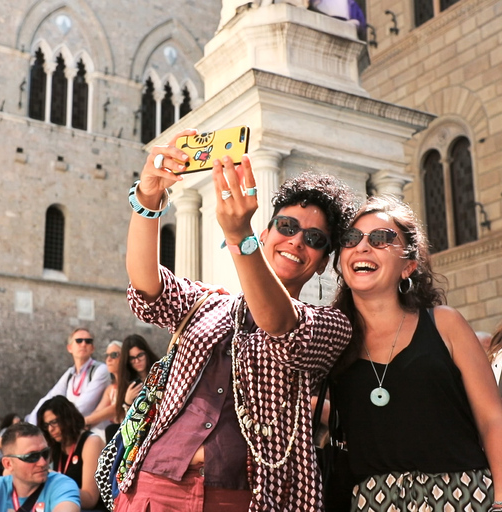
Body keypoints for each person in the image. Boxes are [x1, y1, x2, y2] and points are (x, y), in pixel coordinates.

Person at [113, 129, 356, 511]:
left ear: (324, 261)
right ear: (267, 232)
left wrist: (239, 237)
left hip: (244, 496)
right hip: (154, 487)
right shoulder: (207, 303)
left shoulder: (329, 325)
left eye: (314, 238)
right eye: (287, 227)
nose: (296, 241)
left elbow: (279, 325)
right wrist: (148, 196)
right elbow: (147, 287)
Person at [331, 195, 502, 510]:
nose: (363, 246)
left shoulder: (445, 323)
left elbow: (492, 419)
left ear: (408, 265)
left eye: (381, 238)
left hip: (464, 496)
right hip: (374, 502)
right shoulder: (332, 337)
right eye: (351, 238)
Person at [26, 327, 110, 425]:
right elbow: (49, 397)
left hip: (95, 432)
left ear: (93, 348)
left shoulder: (101, 369)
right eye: (79, 341)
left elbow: (85, 404)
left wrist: (57, 422)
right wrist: (32, 422)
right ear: (69, 348)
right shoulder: (70, 374)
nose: (83, 344)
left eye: (88, 341)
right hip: (71, 430)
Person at [38, 396, 107, 511]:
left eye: (54, 422)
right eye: (46, 425)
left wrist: (54, 480)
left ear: (68, 418)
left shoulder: (91, 442)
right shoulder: (56, 445)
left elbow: (90, 499)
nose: (50, 429)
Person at [114, 334, 159, 424]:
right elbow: (121, 422)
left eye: (140, 355)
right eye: (132, 358)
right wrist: (127, 403)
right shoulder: (127, 383)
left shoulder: (160, 372)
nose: (137, 361)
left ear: (146, 353)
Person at [84, 340, 122, 439]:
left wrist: (84, 421)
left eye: (114, 355)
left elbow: (116, 408)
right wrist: (85, 424)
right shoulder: (111, 389)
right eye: (107, 356)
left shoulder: (131, 384)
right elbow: (98, 412)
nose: (109, 359)